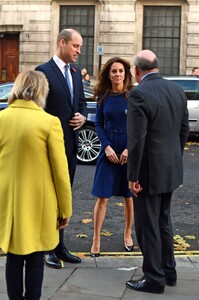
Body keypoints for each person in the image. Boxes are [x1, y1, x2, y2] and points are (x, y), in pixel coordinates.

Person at [0, 70, 72, 300]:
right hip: (39, 203)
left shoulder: (2, 118)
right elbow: (61, 172)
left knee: (12, 256)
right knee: (35, 258)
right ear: (41, 91)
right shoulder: (49, 122)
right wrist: (65, 209)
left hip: (7, 201)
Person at [126, 50, 190, 294]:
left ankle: (153, 278)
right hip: (170, 168)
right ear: (157, 66)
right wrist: (174, 157)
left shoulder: (139, 93)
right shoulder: (176, 90)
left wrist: (132, 177)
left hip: (149, 172)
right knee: (163, 219)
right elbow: (183, 130)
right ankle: (168, 271)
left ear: (136, 70)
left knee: (147, 225)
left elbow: (136, 140)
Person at [35, 28, 87, 268]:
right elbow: (38, 110)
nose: (78, 51)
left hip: (70, 147)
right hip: (47, 149)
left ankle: (60, 246)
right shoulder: (43, 72)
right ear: (62, 43)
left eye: (79, 47)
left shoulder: (76, 74)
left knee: (64, 198)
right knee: (48, 198)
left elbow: (82, 103)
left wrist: (82, 118)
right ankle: (47, 249)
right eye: (75, 46)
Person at [90, 57, 134, 257]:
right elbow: (98, 124)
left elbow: (139, 125)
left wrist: (129, 149)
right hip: (108, 148)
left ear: (126, 73)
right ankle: (96, 239)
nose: (117, 74)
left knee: (128, 196)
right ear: (108, 74)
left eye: (121, 71)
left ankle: (127, 233)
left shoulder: (133, 95)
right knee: (103, 197)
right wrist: (106, 146)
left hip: (128, 149)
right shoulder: (102, 96)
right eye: (114, 71)